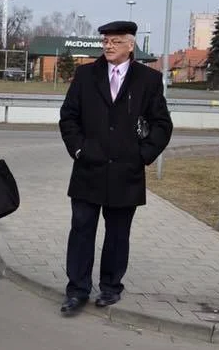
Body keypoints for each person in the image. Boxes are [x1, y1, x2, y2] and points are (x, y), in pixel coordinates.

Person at [57, 21, 172, 315]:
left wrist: (142, 155)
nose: (108, 46)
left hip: (126, 172)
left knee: (118, 234)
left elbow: (162, 124)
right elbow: (68, 117)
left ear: (131, 45)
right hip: (89, 169)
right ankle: (77, 290)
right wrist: (79, 149)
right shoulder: (86, 75)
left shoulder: (148, 80)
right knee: (82, 230)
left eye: (115, 41)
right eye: (106, 41)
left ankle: (110, 287)